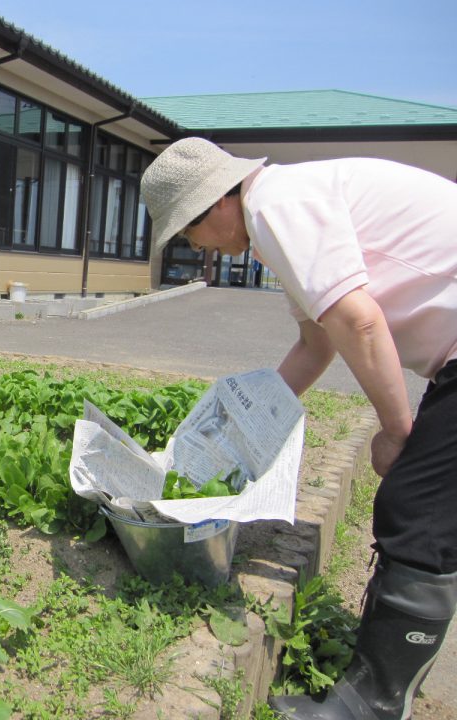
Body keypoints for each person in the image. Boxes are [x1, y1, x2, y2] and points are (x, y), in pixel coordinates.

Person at [140, 137, 457, 720]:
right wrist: (244, 422)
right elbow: (318, 344)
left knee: (417, 512)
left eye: (188, 234)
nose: (195, 247)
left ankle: (372, 704)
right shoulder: (281, 211)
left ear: (214, 205)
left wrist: (395, 430)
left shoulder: (275, 207)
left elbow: (359, 323)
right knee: (427, 512)